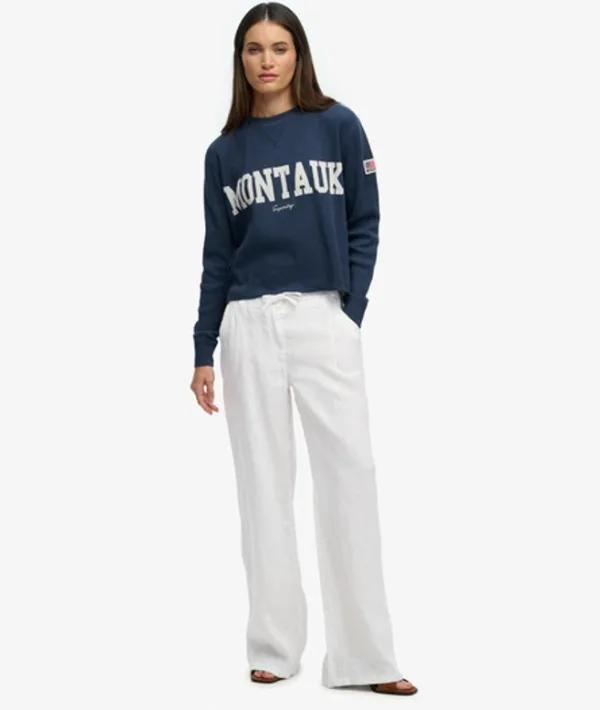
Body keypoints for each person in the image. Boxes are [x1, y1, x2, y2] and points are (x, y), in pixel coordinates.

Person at [190, 2, 418, 696]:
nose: (267, 61)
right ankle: (273, 647)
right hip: (249, 324)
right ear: (240, 59)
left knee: (351, 478)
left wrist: (350, 312)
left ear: (299, 54)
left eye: (279, 47)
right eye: (254, 48)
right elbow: (217, 255)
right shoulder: (225, 153)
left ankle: (366, 659)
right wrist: (203, 349)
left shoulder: (338, 125)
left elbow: (365, 221)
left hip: (324, 318)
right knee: (263, 487)